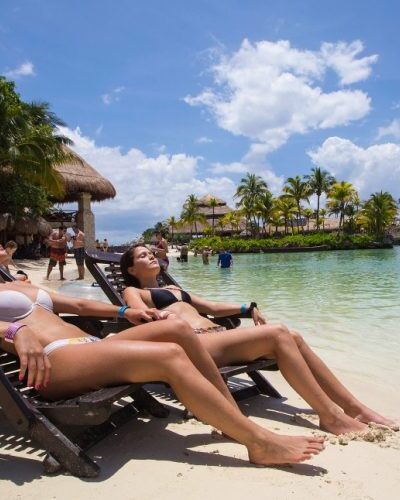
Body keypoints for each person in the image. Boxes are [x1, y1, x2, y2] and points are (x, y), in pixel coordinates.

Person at [0, 280, 325, 466]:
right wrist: (15, 331)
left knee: (178, 329)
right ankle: (259, 442)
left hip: (89, 345)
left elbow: (81, 307)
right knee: (168, 355)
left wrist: (129, 311)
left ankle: (229, 419)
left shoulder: (13, 283)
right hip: (56, 361)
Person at [120, 244, 397, 436]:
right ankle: (331, 417)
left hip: (218, 336)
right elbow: (135, 313)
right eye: (143, 256)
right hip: (196, 344)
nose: (151, 256)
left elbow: (213, 307)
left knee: (294, 336)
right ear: (132, 269)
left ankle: (354, 408)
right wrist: (153, 316)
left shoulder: (174, 288)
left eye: (150, 253)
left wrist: (247, 307)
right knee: (278, 333)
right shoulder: (133, 290)